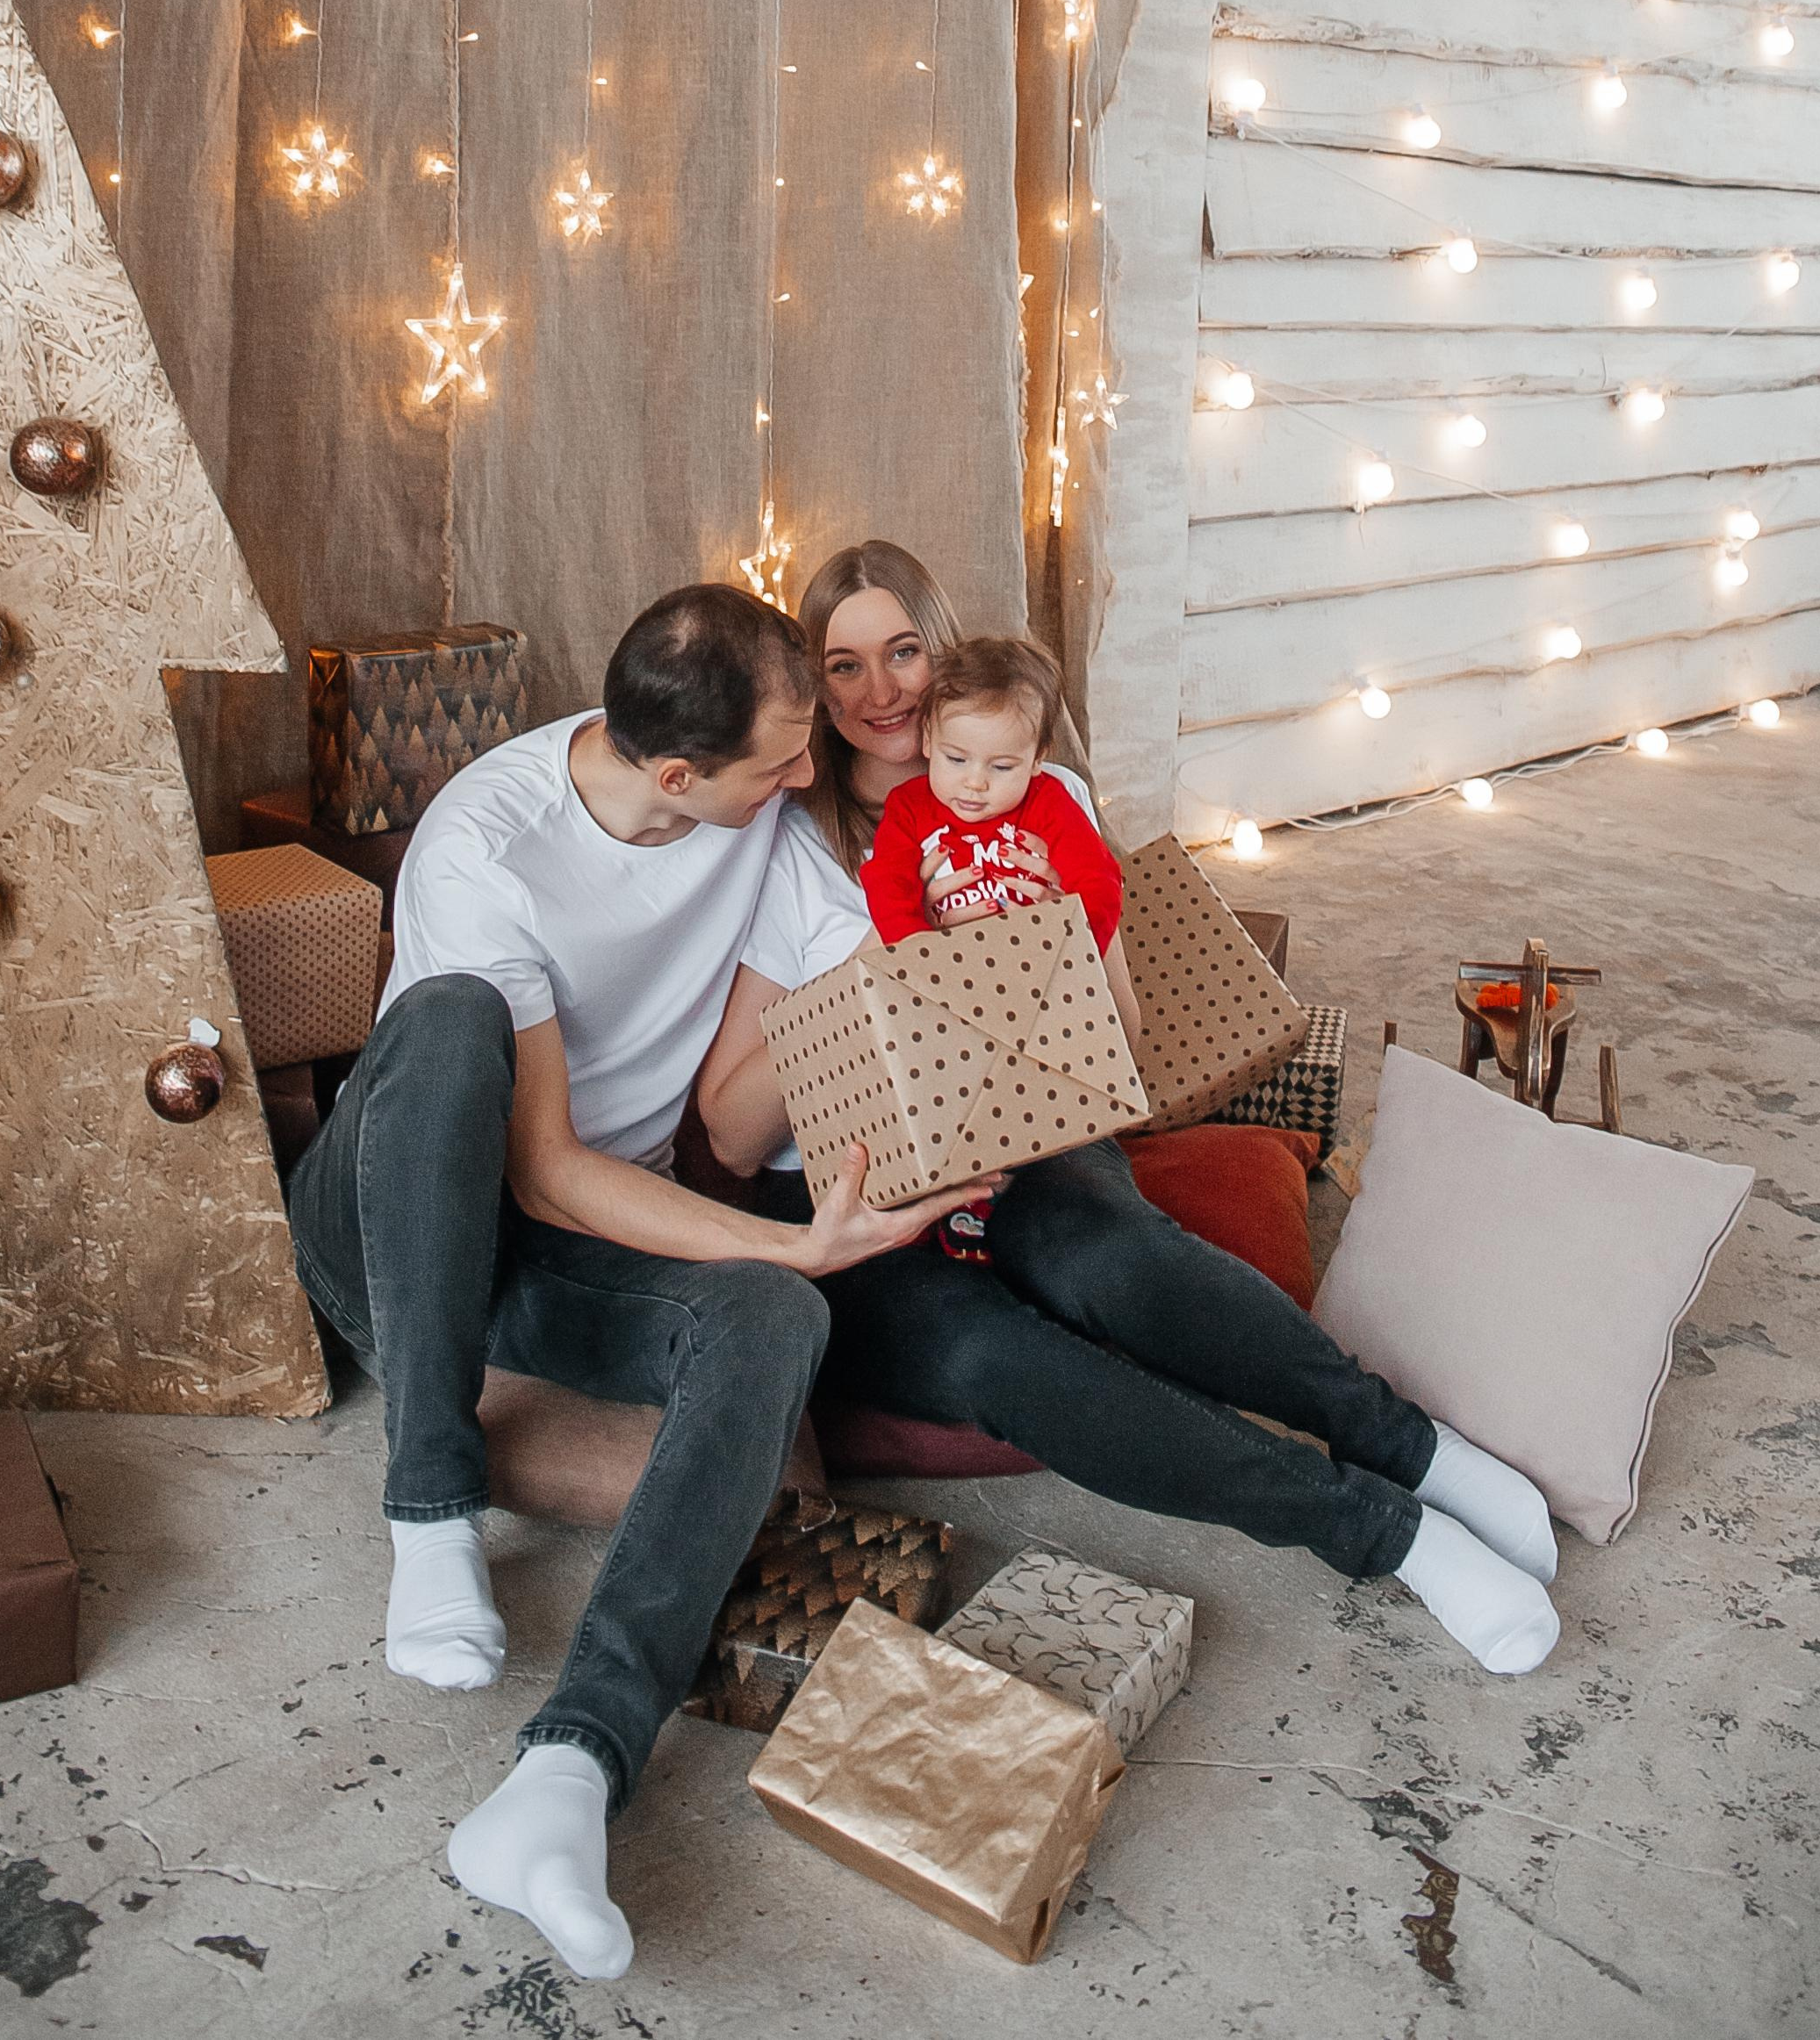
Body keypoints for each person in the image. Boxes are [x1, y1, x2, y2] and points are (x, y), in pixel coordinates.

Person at [696, 540, 1565, 1682]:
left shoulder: (1034, 795)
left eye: (902, 649)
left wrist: (1048, 934)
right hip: (858, 1195)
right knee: (987, 1356)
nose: (881, 693)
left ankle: (1405, 1444)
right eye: (843, 664)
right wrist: (873, 966)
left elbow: (1122, 1036)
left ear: (941, 646)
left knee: (1109, 1259)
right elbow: (727, 1129)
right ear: (811, 684)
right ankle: (1378, 1528)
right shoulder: (788, 847)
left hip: (1035, 1135)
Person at [284, 581, 982, 1984]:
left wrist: (971, 1111)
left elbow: (881, 988)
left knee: (778, 1315)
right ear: (677, 773)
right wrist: (785, 1235)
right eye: (780, 757)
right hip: (399, 1223)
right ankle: (429, 1506)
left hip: (548, 1269)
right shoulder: (491, 835)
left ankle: (568, 1770)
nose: (811, 768)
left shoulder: (764, 826)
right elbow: (539, 1170)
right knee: (448, 1015)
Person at [862, 627, 1136, 1258]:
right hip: (944, 992)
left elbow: (1097, 880)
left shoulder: (1048, 803)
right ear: (928, 740)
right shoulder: (909, 809)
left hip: (1037, 984)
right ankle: (962, 1204)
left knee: (1035, 1093)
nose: (974, 785)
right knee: (949, 1091)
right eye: (956, 760)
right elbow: (888, 886)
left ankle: (1018, 1190)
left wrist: (1067, 953)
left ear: (1037, 758)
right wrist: (920, 958)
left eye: (1001, 766)